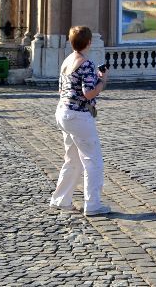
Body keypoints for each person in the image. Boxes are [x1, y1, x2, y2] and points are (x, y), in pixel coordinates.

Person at [48, 25, 111, 216]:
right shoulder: (86, 64)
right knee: (93, 160)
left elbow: (61, 89)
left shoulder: (67, 61)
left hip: (63, 112)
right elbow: (88, 93)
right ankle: (93, 205)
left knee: (72, 159)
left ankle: (61, 199)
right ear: (89, 42)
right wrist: (102, 81)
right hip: (78, 116)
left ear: (71, 41)